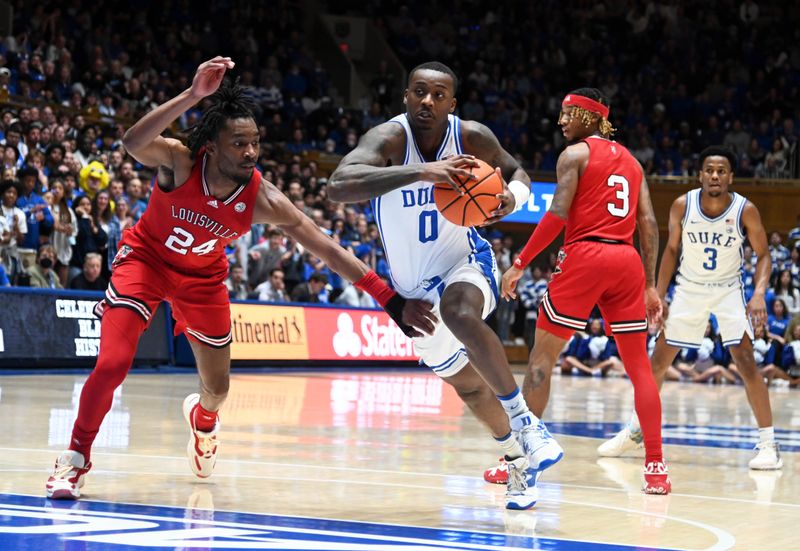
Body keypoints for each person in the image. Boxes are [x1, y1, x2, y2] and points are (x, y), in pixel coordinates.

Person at [46, 57, 434, 500]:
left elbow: (325, 246)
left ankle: (203, 422)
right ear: (212, 145)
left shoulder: (263, 198)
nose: (251, 152)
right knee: (113, 364)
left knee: (218, 389)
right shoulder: (181, 161)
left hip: (203, 280)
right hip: (146, 263)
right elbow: (134, 141)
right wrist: (193, 95)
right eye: (239, 143)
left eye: (255, 143)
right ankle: (74, 459)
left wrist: (389, 299)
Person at [329, 61, 562, 510]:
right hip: (413, 292)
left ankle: (528, 423)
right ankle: (518, 456)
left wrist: (512, 196)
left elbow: (518, 171)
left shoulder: (470, 136)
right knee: (469, 387)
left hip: (465, 261)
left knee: (459, 312)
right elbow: (338, 186)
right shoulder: (389, 139)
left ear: (452, 103)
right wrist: (424, 172)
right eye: (419, 92)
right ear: (405, 96)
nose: (427, 102)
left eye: (438, 95)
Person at [501, 88, 670, 494]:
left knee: (541, 359)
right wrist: (649, 285)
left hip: (585, 254)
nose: (561, 121)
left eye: (569, 113)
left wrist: (520, 263)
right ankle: (656, 468)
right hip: (626, 261)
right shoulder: (633, 162)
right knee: (640, 369)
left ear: (592, 118)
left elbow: (558, 214)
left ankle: (520, 461)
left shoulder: (574, 155)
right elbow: (648, 224)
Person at [597, 146, 782, 470]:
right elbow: (670, 250)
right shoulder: (683, 205)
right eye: (709, 169)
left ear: (730, 177)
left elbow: (763, 254)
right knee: (657, 362)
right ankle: (636, 430)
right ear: (700, 175)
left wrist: (758, 294)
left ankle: (769, 444)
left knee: (746, 362)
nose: (715, 175)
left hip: (728, 290)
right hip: (689, 289)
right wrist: (658, 292)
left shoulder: (745, 210)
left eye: (721, 170)